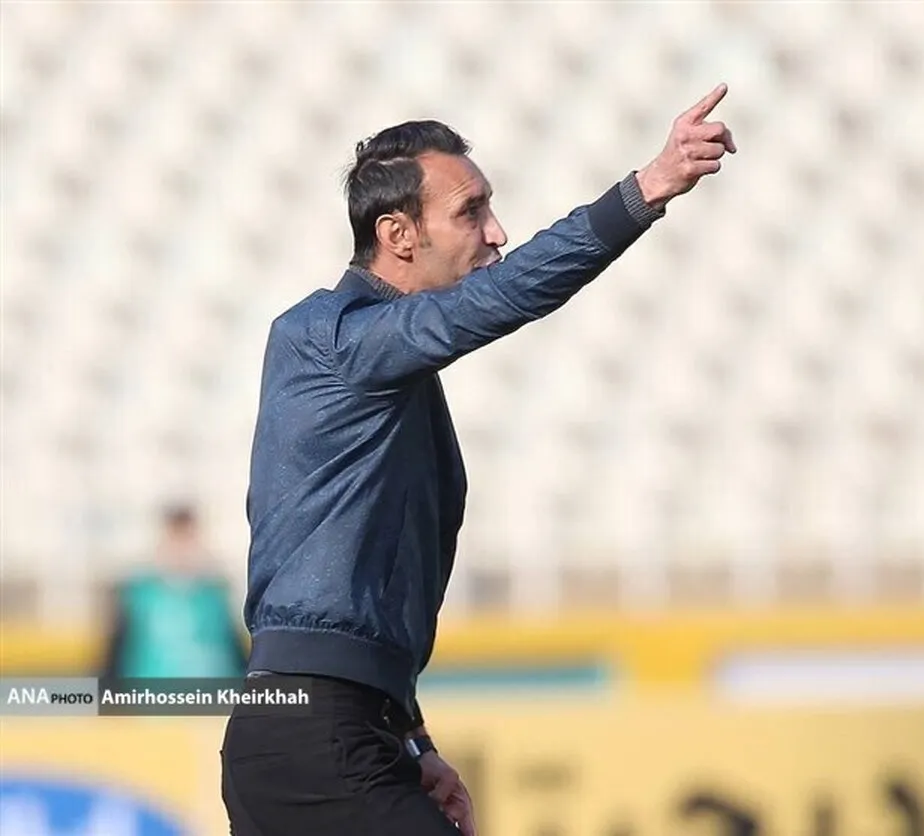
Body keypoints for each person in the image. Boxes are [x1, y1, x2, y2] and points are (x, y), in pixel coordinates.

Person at [220, 84, 736, 835]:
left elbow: (356, 583)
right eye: (471, 212)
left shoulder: (378, 367)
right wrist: (647, 188)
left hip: (331, 728)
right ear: (398, 234)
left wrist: (410, 737)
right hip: (314, 738)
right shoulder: (335, 339)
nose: (496, 233)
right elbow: (503, 296)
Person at [102, 504, 247, 680]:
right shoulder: (139, 595)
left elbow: (235, 652)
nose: (183, 549)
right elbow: (115, 656)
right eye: (177, 538)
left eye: (188, 539)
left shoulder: (214, 595)